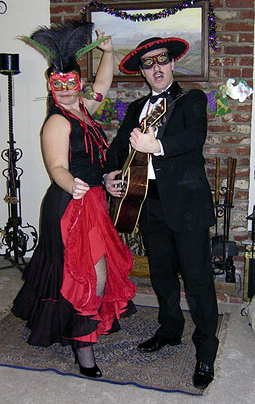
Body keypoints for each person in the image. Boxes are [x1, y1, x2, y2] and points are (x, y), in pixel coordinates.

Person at [12, 20, 136, 378]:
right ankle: (84, 352)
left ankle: (77, 332)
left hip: (92, 202)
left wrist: (107, 54)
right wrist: (73, 185)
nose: (65, 91)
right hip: (70, 206)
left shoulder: (83, 107)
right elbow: (56, 167)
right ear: (51, 86)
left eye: (71, 84)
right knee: (89, 278)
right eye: (59, 86)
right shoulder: (57, 122)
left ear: (77, 84)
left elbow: (103, 85)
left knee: (87, 275)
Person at [104, 37, 219, 390]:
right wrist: (108, 175)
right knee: (163, 276)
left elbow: (194, 137)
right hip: (147, 202)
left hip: (187, 205)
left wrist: (157, 145)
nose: (156, 68)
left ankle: (205, 350)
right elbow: (118, 146)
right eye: (148, 63)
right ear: (142, 71)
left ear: (172, 64)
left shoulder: (192, 99)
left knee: (198, 281)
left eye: (162, 61)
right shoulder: (137, 106)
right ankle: (170, 331)